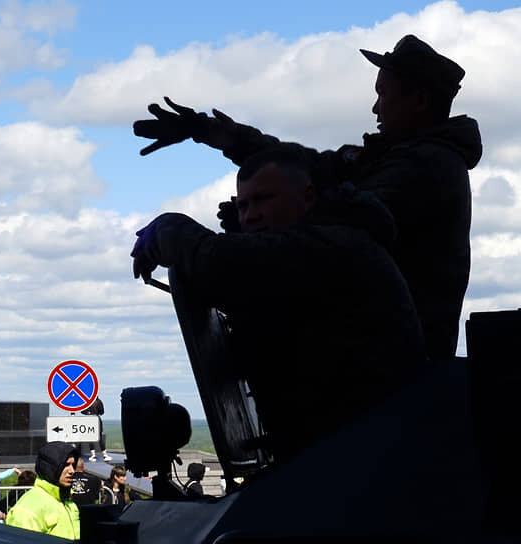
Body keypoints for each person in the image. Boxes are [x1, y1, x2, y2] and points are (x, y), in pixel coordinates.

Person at [133, 34, 482, 361]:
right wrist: (217, 134)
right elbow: (306, 168)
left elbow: (331, 237)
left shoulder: (425, 168)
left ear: (419, 100)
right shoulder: (387, 159)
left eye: (383, 94)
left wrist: (241, 229)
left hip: (393, 371)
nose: (375, 108)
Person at [131, 144, 427, 461]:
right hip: (351, 449)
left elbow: (219, 262)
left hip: (367, 452)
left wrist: (166, 228)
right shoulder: (318, 248)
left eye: (263, 200)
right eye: (243, 205)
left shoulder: (335, 245)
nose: (250, 215)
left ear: (308, 197)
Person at [6, 441, 80, 539]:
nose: (72, 471)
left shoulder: (68, 502)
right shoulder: (27, 509)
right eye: (66, 465)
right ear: (50, 468)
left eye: (73, 465)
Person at [81, 397, 110, 462]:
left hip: (88, 419)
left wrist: (88, 413)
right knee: (99, 437)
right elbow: (102, 412)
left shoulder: (86, 401)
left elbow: (82, 411)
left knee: (90, 437)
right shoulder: (99, 401)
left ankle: (93, 455)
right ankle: (104, 455)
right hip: (96, 418)